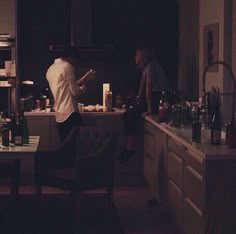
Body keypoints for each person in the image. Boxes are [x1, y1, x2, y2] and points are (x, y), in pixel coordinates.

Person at [118, 47, 171, 163]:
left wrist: (149, 109)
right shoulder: (146, 67)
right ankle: (129, 146)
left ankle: (131, 147)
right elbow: (142, 86)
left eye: (137, 55)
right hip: (156, 96)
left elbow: (148, 89)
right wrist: (137, 100)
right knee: (128, 113)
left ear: (142, 56)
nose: (135, 57)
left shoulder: (151, 66)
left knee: (130, 114)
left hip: (161, 97)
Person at [46, 46, 95, 142]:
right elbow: (75, 92)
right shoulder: (67, 66)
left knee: (64, 147)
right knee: (73, 148)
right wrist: (86, 84)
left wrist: (85, 77)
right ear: (70, 57)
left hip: (59, 115)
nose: (75, 63)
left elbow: (66, 87)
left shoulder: (50, 69)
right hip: (70, 114)